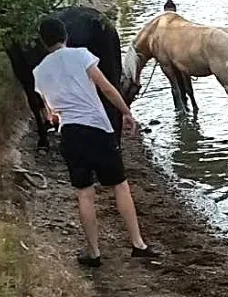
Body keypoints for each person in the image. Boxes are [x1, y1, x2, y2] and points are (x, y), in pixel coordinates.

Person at [32, 17, 160, 267]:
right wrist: (126, 113)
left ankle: (94, 252)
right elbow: (108, 89)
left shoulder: (39, 72)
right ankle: (138, 244)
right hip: (97, 128)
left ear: (42, 42)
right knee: (120, 186)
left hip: (70, 134)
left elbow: (51, 115)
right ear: (65, 36)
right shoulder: (81, 55)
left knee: (84, 193)